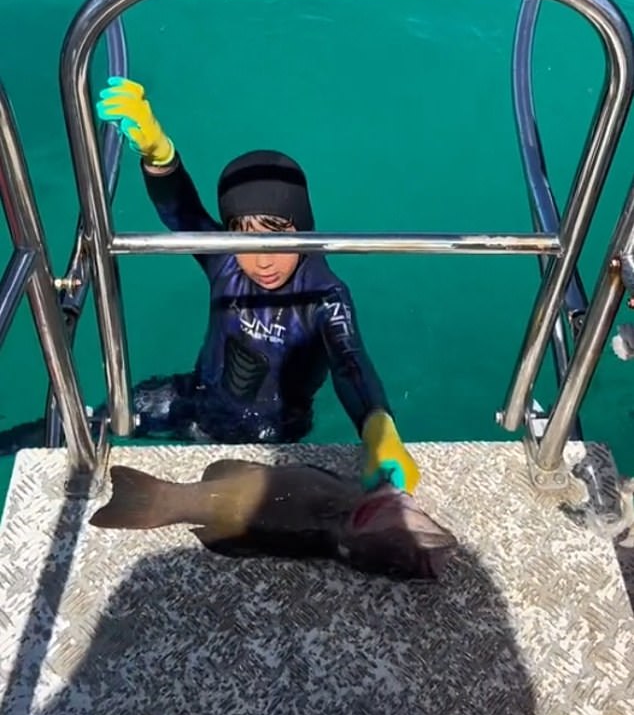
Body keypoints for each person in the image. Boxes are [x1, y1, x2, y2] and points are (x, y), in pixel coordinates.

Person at [0, 76, 420, 495]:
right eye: (245, 240)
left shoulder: (325, 296)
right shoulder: (224, 261)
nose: (263, 260)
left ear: (304, 230)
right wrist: (158, 153)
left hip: (268, 433)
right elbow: (183, 214)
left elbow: (350, 363)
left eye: (279, 238)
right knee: (85, 424)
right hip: (195, 397)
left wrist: (378, 428)